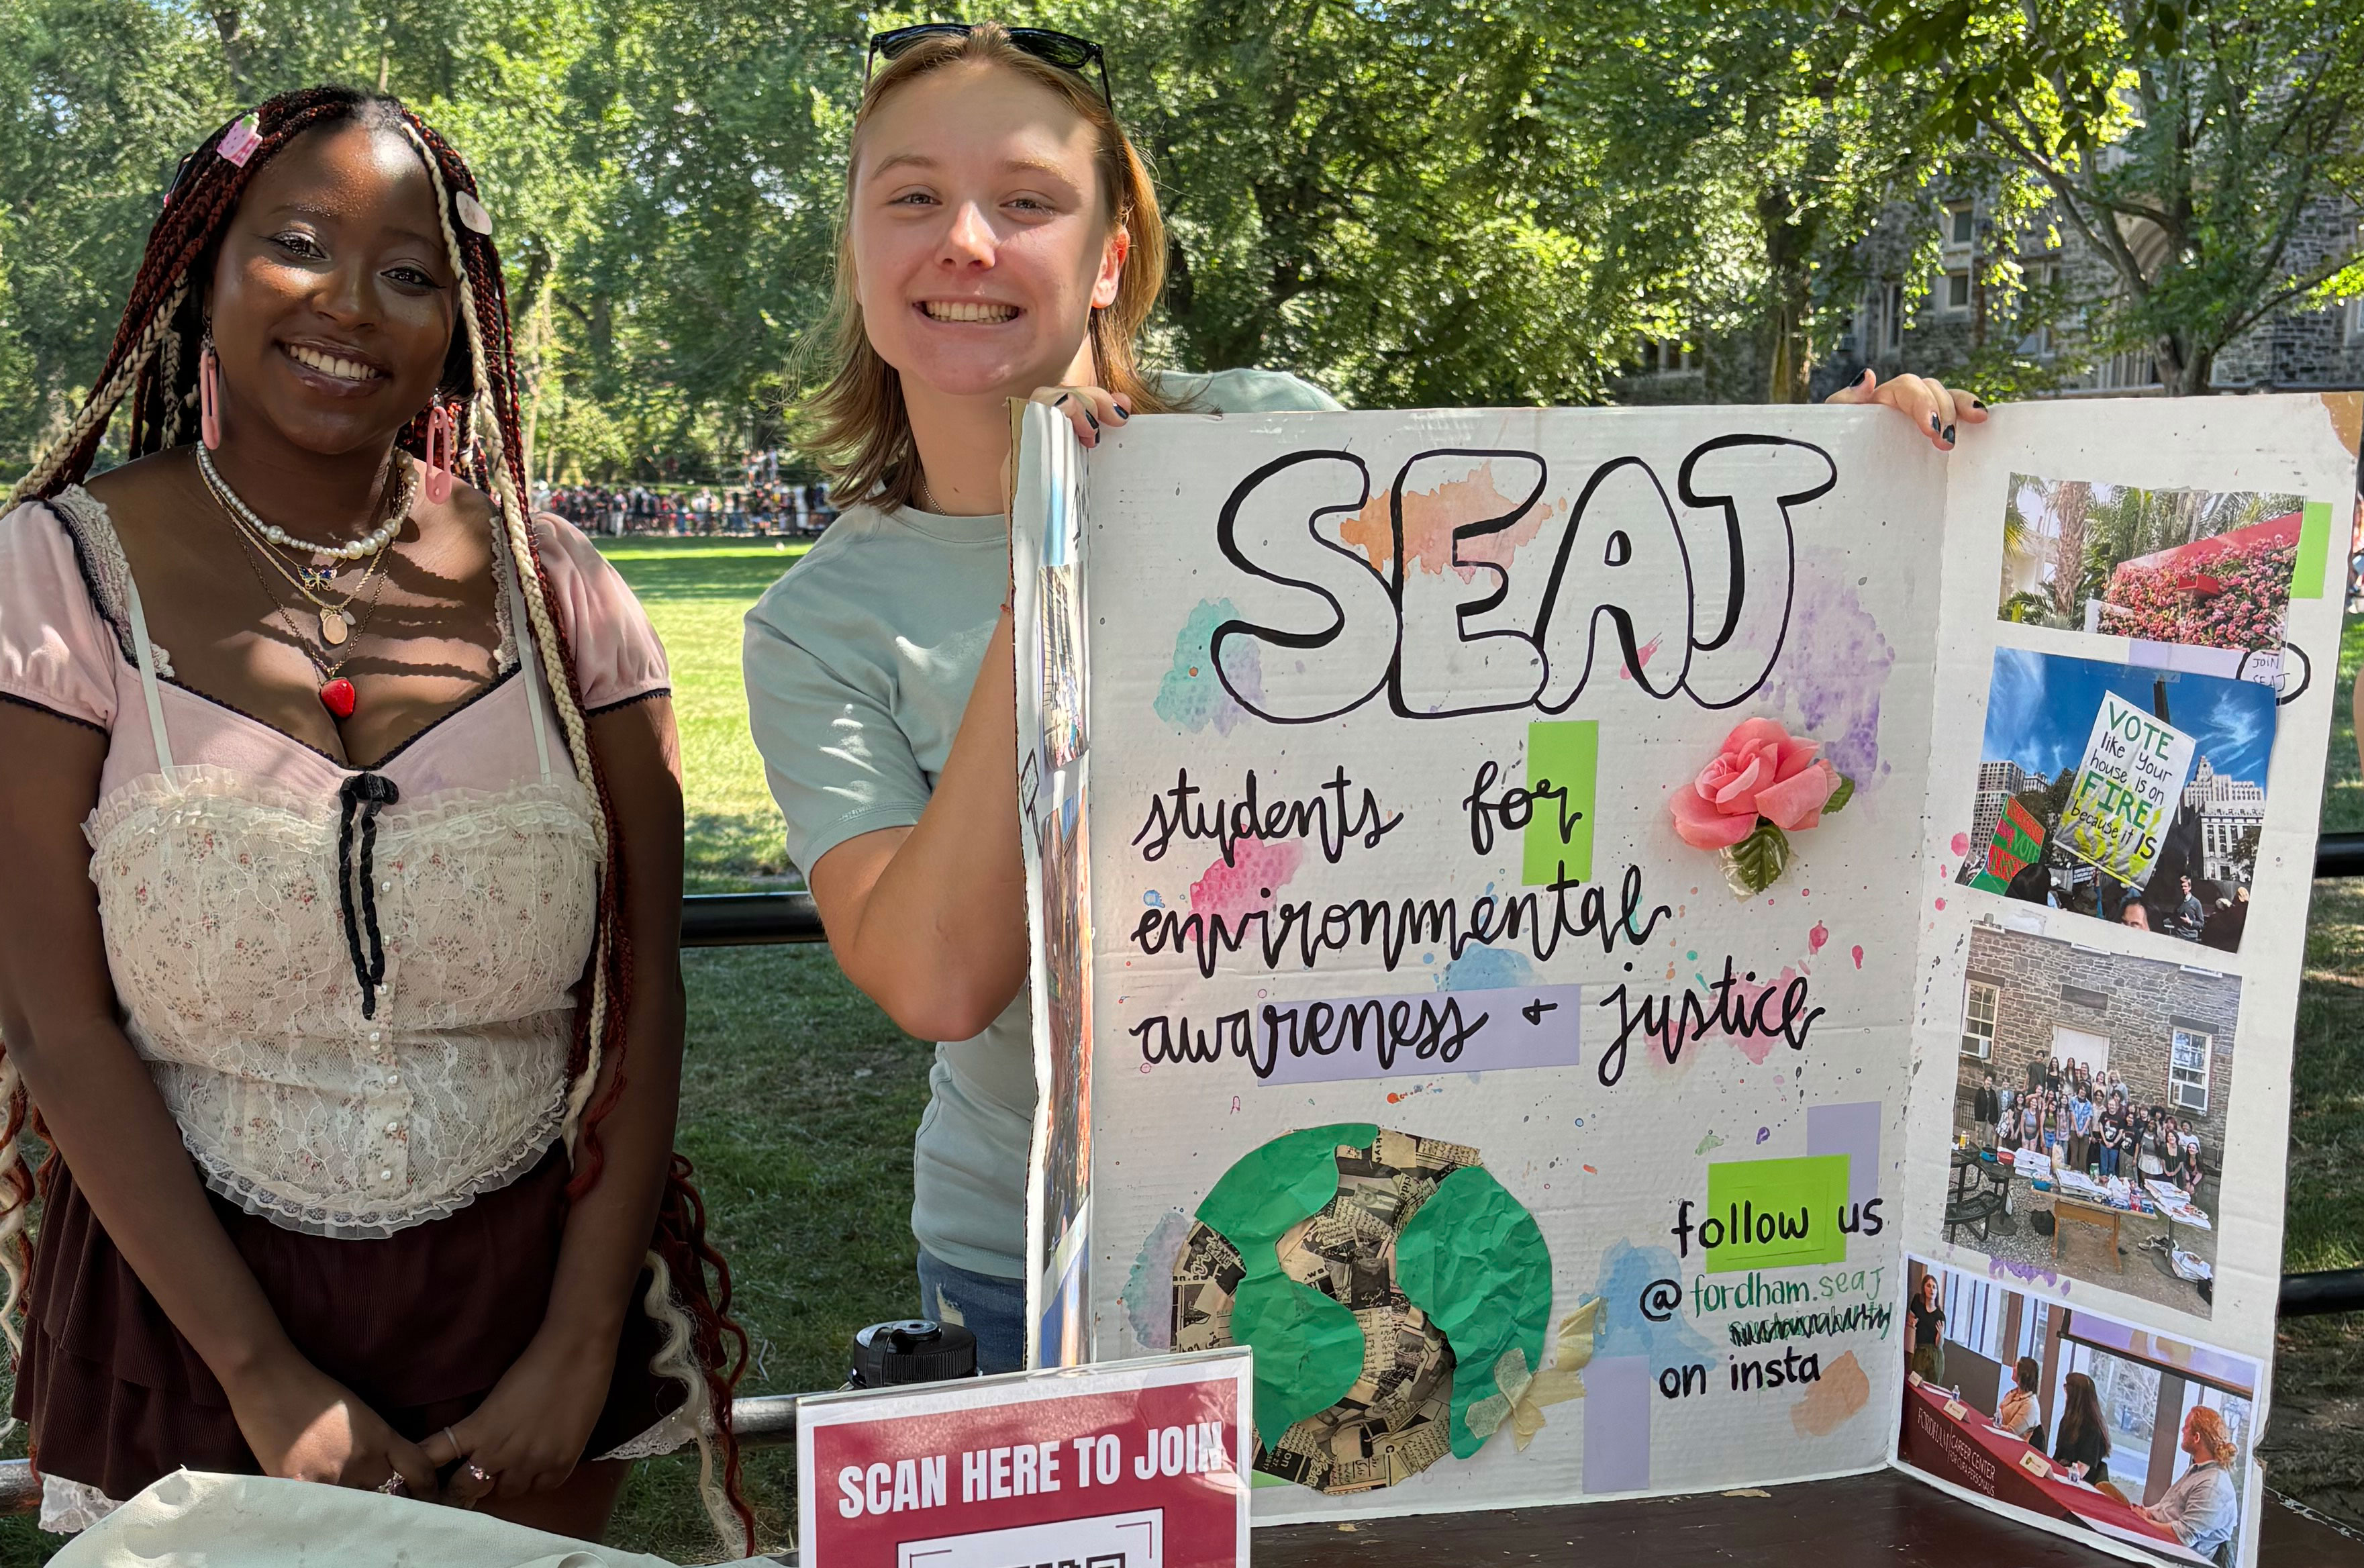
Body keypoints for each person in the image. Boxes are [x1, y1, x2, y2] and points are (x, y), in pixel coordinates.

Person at [742, 20, 1987, 1376]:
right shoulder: (817, 626)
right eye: (912, 196)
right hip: (1037, 1265)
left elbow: (1558, 664)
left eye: (1026, 199)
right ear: (857, 251)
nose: (967, 240)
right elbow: (939, 976)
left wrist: (1843, 498)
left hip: (1375, 1217)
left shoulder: (1268, 442)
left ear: (1110, 258)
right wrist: (1045, 572)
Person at [0, 89, 750, 1553]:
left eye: (411, 272)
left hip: (525, 1321)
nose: (349, 304)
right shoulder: (51, 582)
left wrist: (576, 1338)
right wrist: (264, 1376)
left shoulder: (562, 596)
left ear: (459, 320)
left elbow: (642, 992)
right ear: (207, 270)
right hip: (194, 1317)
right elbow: (56, 1027)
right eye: (296, 244)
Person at [2143, 1406, 2241, 1556]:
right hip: (2156, 1548)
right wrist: (2145, 1513)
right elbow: (2166, 1511)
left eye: (2186, 1427)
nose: (2182, 1431)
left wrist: (2142, 1521)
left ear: (2197, 1438)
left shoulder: (2213, 1487)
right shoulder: (2198, 1472)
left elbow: (2182, 1538)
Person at [2053, 1371, 2111, 1483]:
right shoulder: (2068, 1420)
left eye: (2067, 1389)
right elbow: (2057, 1456)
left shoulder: (2093, 1429)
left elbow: (2081, 1471)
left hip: (2079, 1483)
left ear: (2075, 1395)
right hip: (2062, 1475)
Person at [1906, 1273, 1946, 1383]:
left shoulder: (1940, 1315)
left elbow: (1939, 1345)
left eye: (1934, 1287)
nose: (1932, 1289)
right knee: (1916, 1382)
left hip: (1934, 1354)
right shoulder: (1917, 1302)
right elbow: (1910, 1316)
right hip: (1920, 1351)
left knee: (1932, 1386)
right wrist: (1911, 1321)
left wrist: (1941, 1334)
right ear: (1924, 1287)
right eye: (1928, 1286)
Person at [1997, 1356, 2042, 1449]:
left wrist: (1993, 1425)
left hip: (2013, 1448)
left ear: (2024, 1374)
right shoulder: (2013, 1393)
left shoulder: (2030, 1405)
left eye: (2016, 1366)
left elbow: (2011, 1432)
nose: (2013, 1368)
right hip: (2000, 1439)